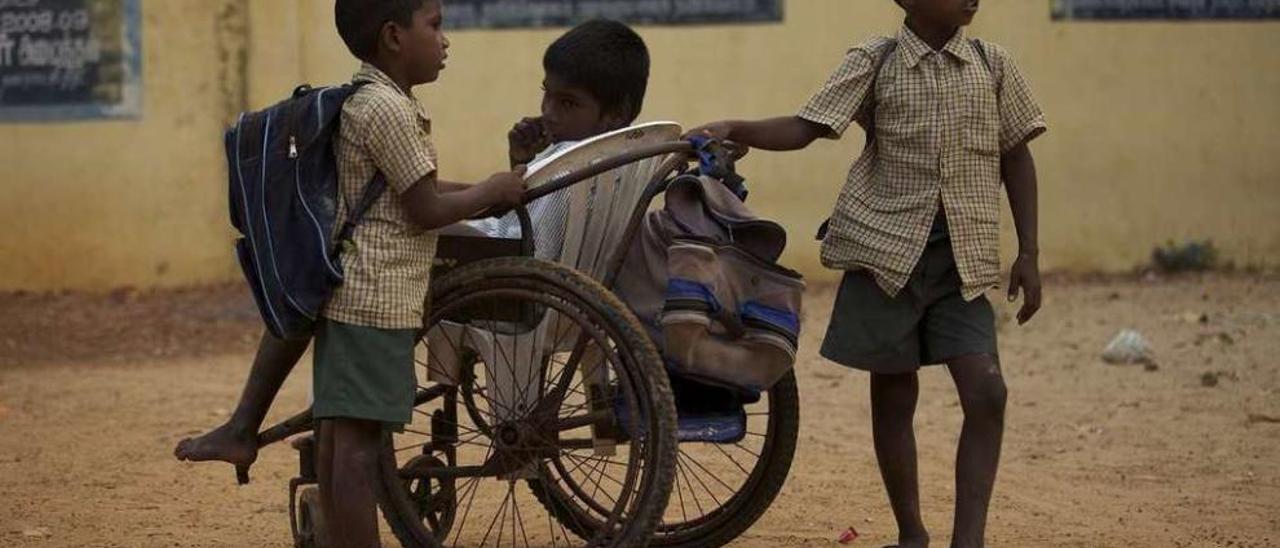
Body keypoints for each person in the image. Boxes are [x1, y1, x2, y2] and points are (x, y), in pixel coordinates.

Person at [687, 1, 1046, 546]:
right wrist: (737, 127)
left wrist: (1030, 253)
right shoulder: (875, 61)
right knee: (895, 396)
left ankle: (967, 540)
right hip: (884, 255)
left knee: (987, 392)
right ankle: (912, 534)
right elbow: (808, 127)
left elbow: (1016, 156)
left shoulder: (992, 64)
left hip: (963, 261)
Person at [179, 1, 526, 546]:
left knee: (342, 440)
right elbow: (425, 209)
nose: (445, 40)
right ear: (393, 36)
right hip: (380, 300)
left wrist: (486, 191)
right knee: (359, 450)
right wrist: (492, 192)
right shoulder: (389, 110)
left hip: (351, 295)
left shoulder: (369, 100)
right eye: (433, 26)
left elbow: (414, 189)